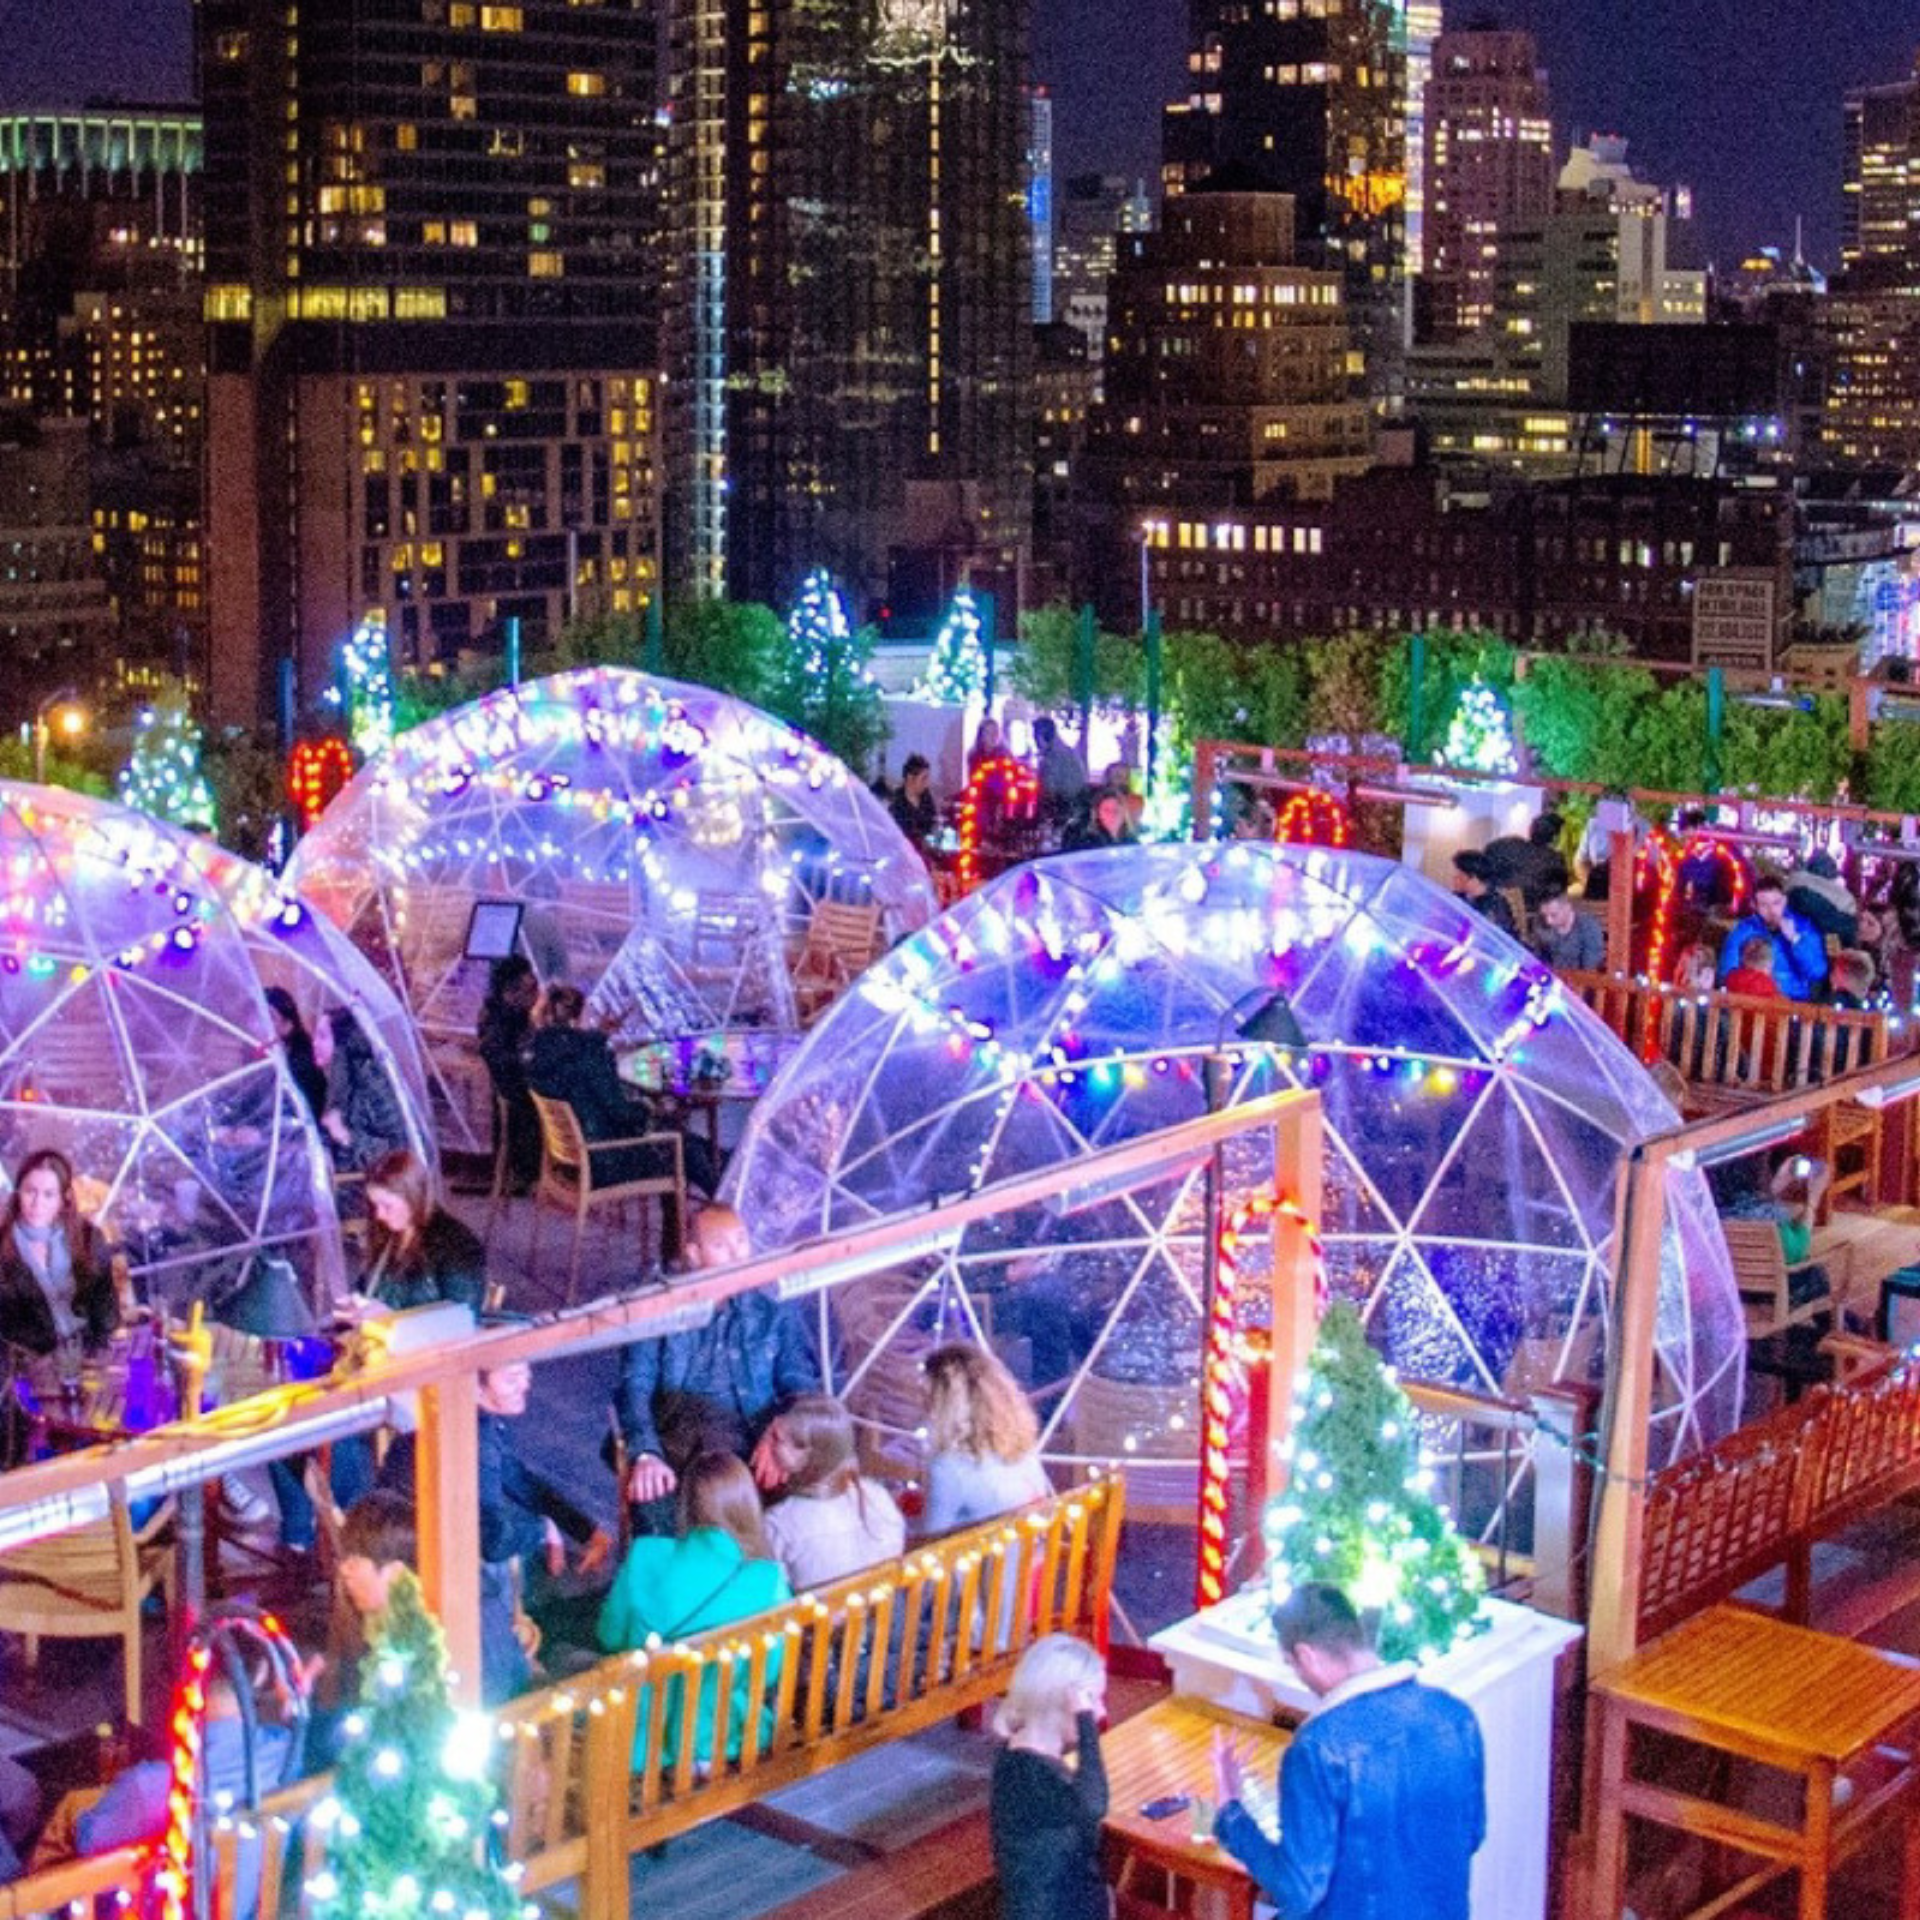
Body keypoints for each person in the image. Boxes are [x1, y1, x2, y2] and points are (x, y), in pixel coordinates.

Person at [1210, 1583, 1485, 1920]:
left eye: (1292, 1664)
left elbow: (1300, 1889)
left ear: (1307, 1656)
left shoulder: (1317, 1749)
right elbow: (1471, 1834)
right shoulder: (1456, 1716)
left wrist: (1231, 1814)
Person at [614, 1205, 819, 1534]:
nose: (736, 1254)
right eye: (721, 1246)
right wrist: (646, 1454)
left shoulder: (771, 1304)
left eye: (741, 1241)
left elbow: (798, 1378)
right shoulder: (659, 1305)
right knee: (656, 1513)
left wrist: (786, 1426)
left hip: (758, 1437)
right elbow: (635, 1386)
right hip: (681, 1446)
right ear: (694, 1254)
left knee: (807, 1497)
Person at [596, 1451, 791, 1772]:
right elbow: (768, 1671)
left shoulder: (645, 1555)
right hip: (726, 1736)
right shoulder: (768, 1581)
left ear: (685, 1502)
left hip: (639, 1741)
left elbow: (609, 1636)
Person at [474, 1354, 613, 1701]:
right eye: (511, 1377)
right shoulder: (474, 1437)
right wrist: (542, 1530)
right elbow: (492, 1538)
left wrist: (582, 1528)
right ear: (474, 1385)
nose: (526, 1384)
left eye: (525, 1372)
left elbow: (517, 1477)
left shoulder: (485, 1424)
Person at [527, 983, 719, 1221]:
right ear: (578, 1017)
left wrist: (598, 1037)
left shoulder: (538, 1056)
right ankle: (725, 1212)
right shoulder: (589, 1056)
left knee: (685, 1142)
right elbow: (621, 1113)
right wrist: (651, 1109)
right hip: (606, 1162)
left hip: (568, 1162)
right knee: (686, 1147)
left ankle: (680, 1240)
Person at [989, 1634, 1109, 1920]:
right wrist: (1085, 1722)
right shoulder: (1030, 1775)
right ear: (1060, 1705)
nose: (1101, 1712)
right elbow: (1093, 1805)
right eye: (1095, 1701)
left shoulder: (1018, 1757)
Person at [760, 1394, 906, 1591]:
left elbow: (773, 1595)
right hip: (885, 1614)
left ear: (809, 1454)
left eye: (778, 1439)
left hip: (820, 1621)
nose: (772, 1446)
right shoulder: (877, 1495)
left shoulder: (778, 1524)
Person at [919, 1343, 1049, 1535]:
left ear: (944, 1406)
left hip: (990, 1564)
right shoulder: (1022, 1448)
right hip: (1028, 1559)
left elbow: (929, 1548)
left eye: (928, 1397)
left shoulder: (948, 1467)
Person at [0, 1148, 119, 1357]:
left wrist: (96, 1354)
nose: (37, 1203)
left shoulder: (88, 1237)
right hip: (28, 1366)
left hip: (87, 1358)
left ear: (63, 1199)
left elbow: (106, 1310)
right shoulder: (3, 1245)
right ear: (18, 1192)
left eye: (48, 1194)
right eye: (30, 1191)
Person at [358, 1148, 488, 1315]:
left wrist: (390, 1318)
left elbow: (462, 1317)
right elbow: (365, 1288)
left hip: (429, 1339)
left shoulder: (457, 1245)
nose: (379, 1215)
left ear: (413, 1197)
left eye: (387, 1206)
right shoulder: (388, 1235)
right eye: (375, 1205)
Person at [315, 1008, 409, 1172]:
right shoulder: (337, 1079)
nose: (314, 1043)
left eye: (322, 1036)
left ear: (341, 1043)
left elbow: (399, 1149)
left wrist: (344, 1135)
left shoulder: (371, 1083)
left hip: (370, 1187)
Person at [478, 957, 542, 1193]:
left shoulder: (502, 1014)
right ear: (510, 991)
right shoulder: (505, 1020)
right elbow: (506, 1057)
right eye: (530, 988)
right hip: (519, 1098)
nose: (535, 993)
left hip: (510, 1094)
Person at [1716, 873, 1828, 1002]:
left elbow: (1817, 972)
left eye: (1776, 903)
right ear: (1754, 905)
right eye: (1764, 905)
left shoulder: (1803, 928)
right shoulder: (1742, 931)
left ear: (1785, 901)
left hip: (1794, 1002)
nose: (1772, 911)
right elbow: (1727, 973)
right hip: (1753, 1000)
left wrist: (1795, 940)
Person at [1479, 812, 1568, 912]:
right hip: (1524, 916)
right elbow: (1557, 895)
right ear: (1555, 837)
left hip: (1491, 905)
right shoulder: (1555, 860)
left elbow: (1483, 861)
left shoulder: (1506, 844)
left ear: (1530, 829)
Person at [266, 987, 327, 1120]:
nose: (262, 1024)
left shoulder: (302, 1060)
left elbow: (306, 1111)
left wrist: (259, 1131)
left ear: (288, 1024)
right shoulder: (264, 1057)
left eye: (271, 1017)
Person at [1786, 849, 1858, 949]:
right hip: (1825, 949)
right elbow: (1838, 935)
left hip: (1799, 948)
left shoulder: (1793, 890)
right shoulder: (1844, 900)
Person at [1032, 717, 1087, 828]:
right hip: (1070, 806)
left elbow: (1049, 790)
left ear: (1043, 736)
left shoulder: (1054, 756)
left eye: (1035, 736)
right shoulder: (1064, 751)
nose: (1034, 741)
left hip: (1063, 810)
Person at [1530, 889, 1604, 972]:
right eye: (1544, 915)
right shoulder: (1541, 923)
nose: (1548, 921)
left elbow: (1591, 967)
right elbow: (1539, 957)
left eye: (1553, 915)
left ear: (1567, 907)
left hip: (1579, 979)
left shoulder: (1588, 926)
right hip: (1552, 977)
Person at [1451, 850, 1517, 937]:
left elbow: (1493, 940)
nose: (1454, 878)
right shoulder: (1460, 897)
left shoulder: (1494, 905)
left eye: (1459, 874)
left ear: (1473, 878)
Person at [888, 754, 939, 854]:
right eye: (923, 779)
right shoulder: (896, 804)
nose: (927, 783)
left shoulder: (927, 799)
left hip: (928, 855)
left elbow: (933, 823)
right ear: (910, 778)